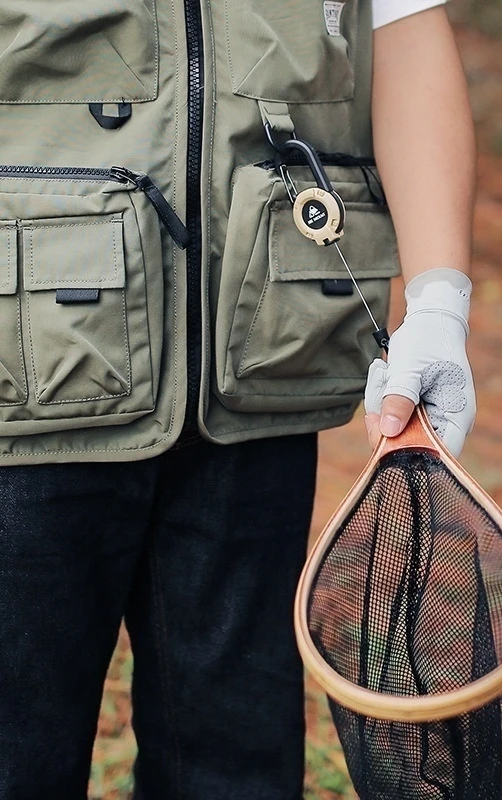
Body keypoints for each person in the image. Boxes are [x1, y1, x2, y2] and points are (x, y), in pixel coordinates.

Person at [0, 1, 475, 798]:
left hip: (263, 372)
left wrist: (439, 303)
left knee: (236, 766)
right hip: (22, 378)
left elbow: (404, 31)